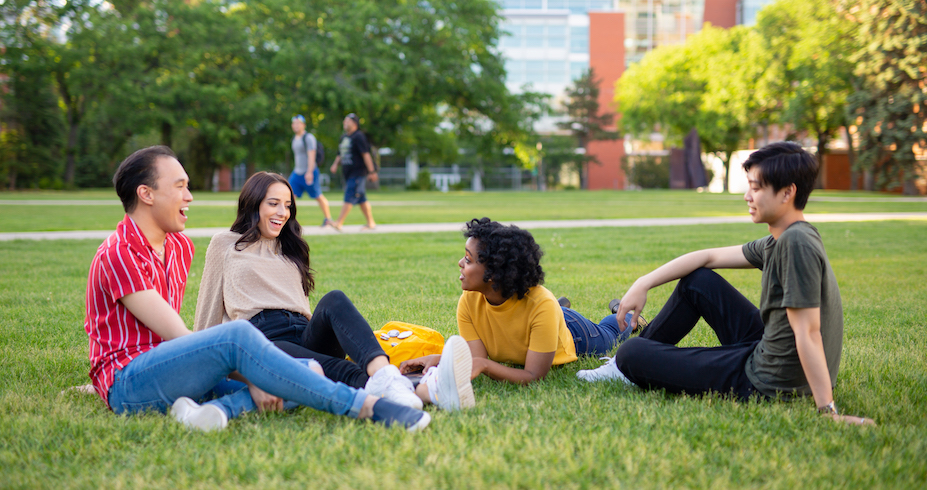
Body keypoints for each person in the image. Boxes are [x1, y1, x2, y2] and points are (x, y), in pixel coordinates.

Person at [83, 145, 430, 432]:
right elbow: (181, 336)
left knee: (303, 373)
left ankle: (211, 413)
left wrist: (263, 374)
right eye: (180, 186)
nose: (189, 195)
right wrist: (258, 371)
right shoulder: (118, 254)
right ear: (146, 193)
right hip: (130, 381)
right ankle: (370, 408)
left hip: (179, 369)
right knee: (250, 346)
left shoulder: (177, 246)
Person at [577, 142, 874, 426]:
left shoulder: (795, 244)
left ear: (787, 193)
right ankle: (618, 367)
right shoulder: (783, 239)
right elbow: (707, 256)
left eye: (756, 188)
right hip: (771, 350)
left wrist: (828, 411)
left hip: (773, 381)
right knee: (698, 280)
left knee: (633, 354)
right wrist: (644, 282)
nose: (747, 195)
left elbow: (808, 331)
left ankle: (622, 364)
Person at [193, 171, 474, 412]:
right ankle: (426, 389)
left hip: (304, 332)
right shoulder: (225, 245)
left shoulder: (289, 247)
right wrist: (201, 369)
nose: (282, 213)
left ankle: (387, 376)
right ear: (253, 204)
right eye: (274, 204)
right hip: (264, 339)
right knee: (336, 370)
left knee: (334, 299)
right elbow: (207, 315)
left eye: (288, 205)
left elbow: (300, 305)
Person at [400, 218, 633, 385]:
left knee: (613, 331)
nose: (460, 262)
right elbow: (477, 359)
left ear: (493, 274)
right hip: (544, 314)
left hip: (577, 336)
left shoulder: (541, 305)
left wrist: (486, 366)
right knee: (546, 310)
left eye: (468, 260)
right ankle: (558, 312)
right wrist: (439, 360)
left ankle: (631, 316)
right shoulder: (469, 300)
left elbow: (533, 375)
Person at [329, 113, 377, 231]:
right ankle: (371, 223)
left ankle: (339, 222)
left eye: (347, 121)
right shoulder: (344, 137)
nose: (344, 122)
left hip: (358, 172)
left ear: (354, 123)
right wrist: (335, 164)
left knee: (349, 194)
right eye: (344, 120)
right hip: (348, 173)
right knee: (361, 199)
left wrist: (372, 171)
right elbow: (340, 154)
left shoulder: (359, 136)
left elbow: (366, 154)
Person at [288, 114, 334, 227]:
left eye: (298, 123)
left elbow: (311, 155)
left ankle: (328, 219)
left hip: (309, 172)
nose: (296, 125)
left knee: (318, 195)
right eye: (294, 123)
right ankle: (289, 221)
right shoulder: (294, 138)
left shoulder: (308, 137)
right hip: (297, 173)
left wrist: (309, 172)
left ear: (304, 125)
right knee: (289, 196)